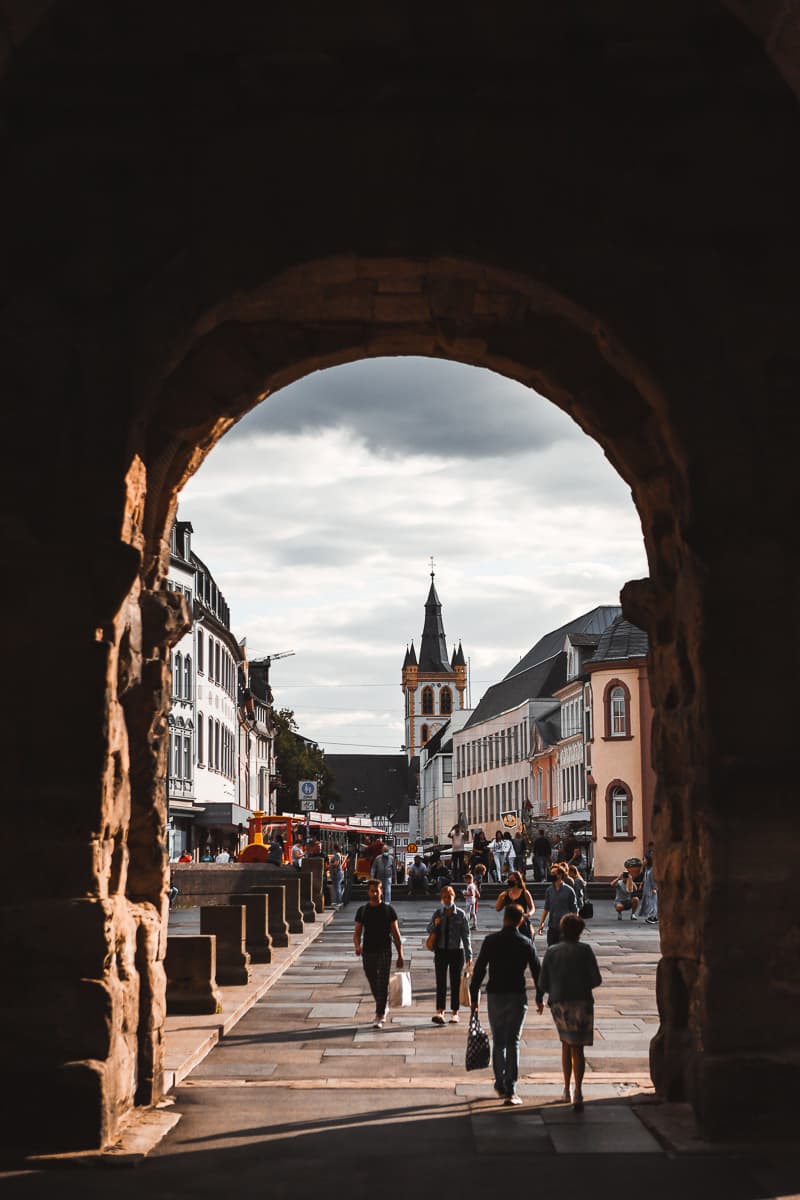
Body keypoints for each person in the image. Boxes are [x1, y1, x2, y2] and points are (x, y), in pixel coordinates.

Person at [470, 902, 540, 1105]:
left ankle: (500, 1082)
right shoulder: (526, 943)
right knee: (514, 1042)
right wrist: (540, 996)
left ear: (504, 919)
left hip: (495, 994)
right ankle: (511, 1088)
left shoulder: (491, 941)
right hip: (517, 994)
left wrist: (474, 997)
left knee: (499, 1041)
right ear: (521, 921)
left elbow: (480, 970)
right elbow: (537, 970)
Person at [536, 913, 602, 1111]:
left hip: (560, 1002)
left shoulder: (552, 951)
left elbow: (542, 981)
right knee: (578, 1047)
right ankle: (578, 1091)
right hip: (582, 1001)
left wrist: (543, 995)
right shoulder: (585, 950)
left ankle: (565, 1088)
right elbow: (596, 979)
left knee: (565, 1044)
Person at [353, 879, 404, 1028]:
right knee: (372, 980)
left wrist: (400, 954)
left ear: (382, 891)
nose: (375, 893)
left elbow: (396, 934)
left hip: (384, 950)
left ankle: (380, 1014)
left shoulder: (388, 910)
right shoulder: (362, 910)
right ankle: (382, 1004)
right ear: (368, 892)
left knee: (382, 983)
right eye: (372, 890)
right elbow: (357, 932)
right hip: (368, 950)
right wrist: (357, 946)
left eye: (377, 890)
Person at [427, 885, 472, 1024]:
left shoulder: (460, 914)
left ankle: (455, 1012)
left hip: (456, 952)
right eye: (445, 897)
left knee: (455, 983)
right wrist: (435, 924)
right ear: (442, 898)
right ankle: (440, 1011)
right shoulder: (438, 913)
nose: (447, 899)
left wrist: (469, 955)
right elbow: (428, 929)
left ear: (454, 897)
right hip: (440, 951)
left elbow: (466, 936)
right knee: (440, 982)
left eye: (449, 896)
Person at [537, 866, 578, 945]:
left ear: (560, 875)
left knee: (565, 951)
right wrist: (541, 924)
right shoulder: (549, 890)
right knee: (552, 949)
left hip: (565, 927)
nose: (551, 875)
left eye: (553, 873)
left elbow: (574, 909)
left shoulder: (569, 890)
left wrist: (574, 926)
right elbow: (546, 908)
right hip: (553, 926)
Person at [495, 870, 535, 938]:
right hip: (509, 924)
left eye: (512, 879)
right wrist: (500, 897)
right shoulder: (506, 894)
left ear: (517, 881)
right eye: (509, 879)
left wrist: (528, 914)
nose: (510, 881)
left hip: (522, 922)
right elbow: (498, 908)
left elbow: (532, 908)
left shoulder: (525, 893)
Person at [638, 854, 658, 923]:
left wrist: (654, 888)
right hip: (646, 887)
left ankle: (652, 917)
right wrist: (641, 884)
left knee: (652, 903)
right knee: (648, 902)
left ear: (648, 860)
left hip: (651, 888)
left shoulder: (652, 869)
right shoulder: (647, 868)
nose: (643, 861)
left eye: (644, 859)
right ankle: (653, 916)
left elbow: (653, 879)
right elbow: (645, 877)